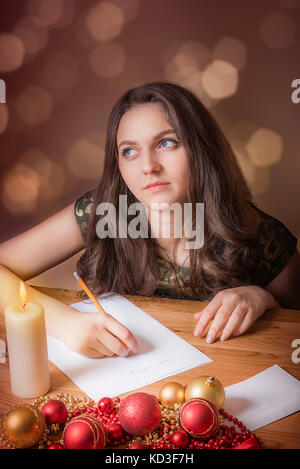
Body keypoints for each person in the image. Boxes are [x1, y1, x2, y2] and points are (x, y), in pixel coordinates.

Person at [0, 82, 299, 359]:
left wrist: (264, 300)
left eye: (166, 143)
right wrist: (65, 323)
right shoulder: (104, 211)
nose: (148, 167)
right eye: (129, 151)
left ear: (202, 149)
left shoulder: (262, 236)